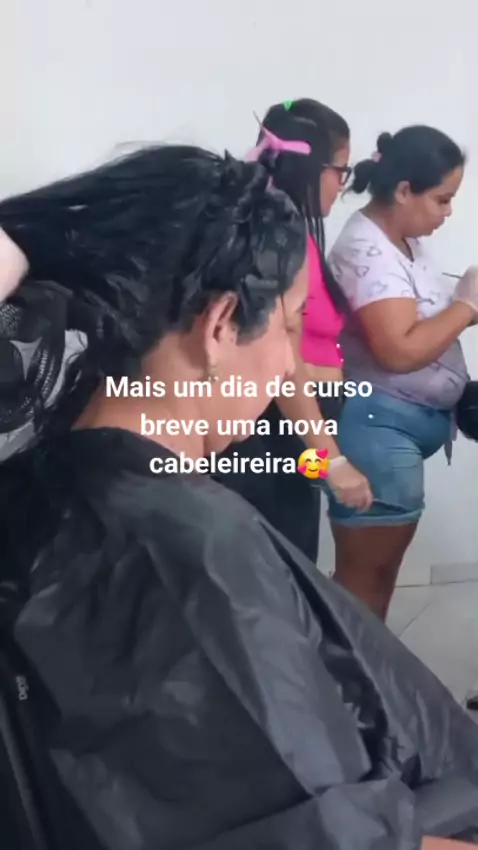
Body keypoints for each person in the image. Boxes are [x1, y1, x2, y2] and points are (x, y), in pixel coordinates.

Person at [1, 146, 478, 850]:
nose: (289, 365)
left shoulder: (45, 485)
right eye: (289, 326)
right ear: (221, 324)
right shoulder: (184, 555)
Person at [327, 125, 478, 621]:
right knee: (364, 580)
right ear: (405, 190)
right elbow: (398, 350)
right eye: (442, 199)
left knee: (378, 577)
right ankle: (350, 670)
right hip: (376, 427)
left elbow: (419, 319)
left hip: (399, 424)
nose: (448, 213)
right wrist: (467, 306)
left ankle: (365, 666)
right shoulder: (366, 250)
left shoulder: (403, 241)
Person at [215, 98, 372, 563]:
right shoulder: (277, 240)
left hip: (294, 436)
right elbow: (283, 361)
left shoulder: (290, 235)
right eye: (341, 170)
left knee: (292, 563)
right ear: (311, 167)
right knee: (281, 570)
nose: (342, 184)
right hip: (277, 432)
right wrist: (331, 460)